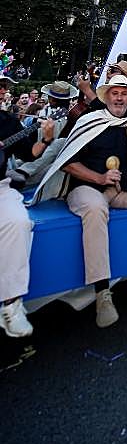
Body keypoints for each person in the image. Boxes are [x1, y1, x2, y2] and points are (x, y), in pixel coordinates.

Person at [34, 74, 127, 328]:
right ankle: (102, 293)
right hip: (87, 188)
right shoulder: (89, 120)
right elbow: (68, 164)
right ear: (106, 97)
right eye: (115, 93)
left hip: (121, 187)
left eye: (124, 94)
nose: (119, 98)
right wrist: (100, 177)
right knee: (95, 209)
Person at [0, 75, 56, 337]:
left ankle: (11, 305)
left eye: (3, 87)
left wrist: (45, 139)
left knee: (19, 222)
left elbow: (30, 153)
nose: (2, 91)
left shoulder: (7, 121)